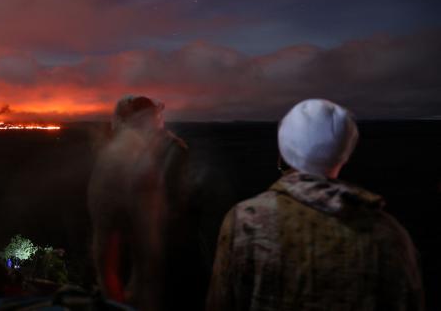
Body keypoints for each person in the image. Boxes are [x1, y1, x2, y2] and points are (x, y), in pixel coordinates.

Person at [206, 98, 424, 311]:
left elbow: (222, 301)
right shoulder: (389, 233)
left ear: (283, 150)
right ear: (344, 154)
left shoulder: (246, 221)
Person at [87, 95, 201, 311]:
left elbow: (102, 248)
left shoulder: (111, 159)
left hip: (133, 282)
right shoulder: (154, 155)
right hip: (162, 277)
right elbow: (149, 251)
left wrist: (112, 296)